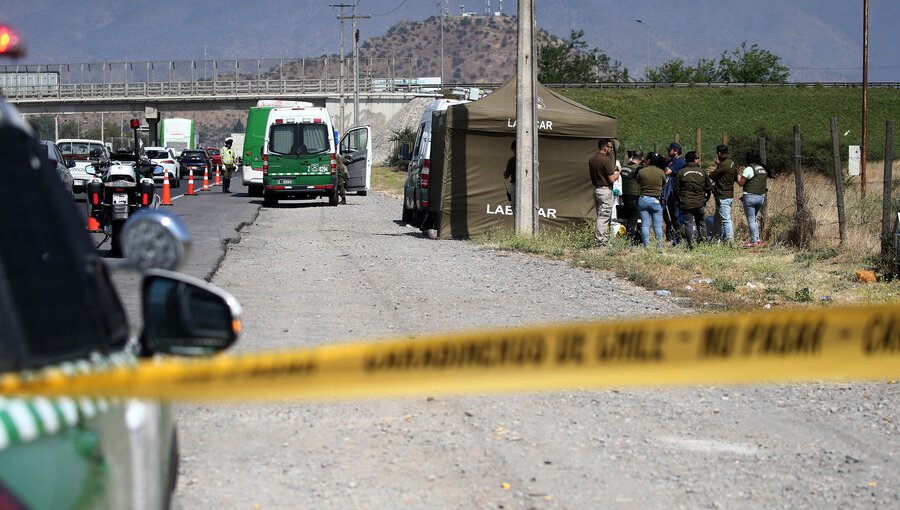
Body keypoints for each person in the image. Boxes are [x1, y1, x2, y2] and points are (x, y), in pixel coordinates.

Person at [588, 138, 621, 247]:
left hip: (596, 189)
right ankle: (600, 242)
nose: (611, 149)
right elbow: (611, 179)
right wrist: (618, 172)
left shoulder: (592, 159)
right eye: (610, 147)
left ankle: (604, 240)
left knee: (601, 215)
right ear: (604, 147)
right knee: (604, 216)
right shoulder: (605, 160)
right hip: (605, 190)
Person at [675, 151, 712, 250]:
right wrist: (705, 200)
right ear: (695, 160)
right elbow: (709, 188)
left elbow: (676, 190)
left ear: (686, 160)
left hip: (686, 203)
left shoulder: (681, 172)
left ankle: (691, 246)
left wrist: (679, 201)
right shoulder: (702, 172)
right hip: (699, 203)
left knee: (688, 223)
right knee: (701, 223)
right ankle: (703, 243)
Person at [636, 152, 667, 251]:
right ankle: (659, 247)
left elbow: (638, 182)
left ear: (648, 160)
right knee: (657, 226)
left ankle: (646, 247)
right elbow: (664, 184)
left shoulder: (641, 171)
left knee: (645, 224)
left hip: (643, 199)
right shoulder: (661, 172)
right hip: (655, 200)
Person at [738, 149, 769, 247]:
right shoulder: (762, 169)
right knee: (753, 219)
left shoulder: (749, 169)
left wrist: (737, 175)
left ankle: (754, 241)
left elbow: (740, 183)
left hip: (750, 197)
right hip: (761, 197)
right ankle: (757, 239)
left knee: (751, 220)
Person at [709, 144, 738, 242]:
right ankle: (715, 239)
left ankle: (730, 241)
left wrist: (717, 165)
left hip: (722, 196)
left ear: (719, 153)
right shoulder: (732, 163)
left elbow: (713, 175)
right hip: (728, 194)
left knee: (726, 220)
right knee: (717, 220)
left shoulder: (723, 165)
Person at [619, 149, 643, 244]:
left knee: (628, 218)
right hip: (635, 196)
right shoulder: (638, 169)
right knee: (633, 219)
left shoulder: (624, 167)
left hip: (625, 196)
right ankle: (630, 240)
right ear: (641, 158)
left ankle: (628, 238)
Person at [663, 141, 686, 243]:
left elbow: (667, 172)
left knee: (674, 215)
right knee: (667, 214)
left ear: (675, 151)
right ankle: (670, 236)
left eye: (670, 150)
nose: (668, 152)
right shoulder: (671, 161)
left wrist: (663, 166)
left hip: (674, 191)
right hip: (667, 191)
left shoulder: (680, 161)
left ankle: (677, 236)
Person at [503, 141, 516, 206]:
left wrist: (504, 173)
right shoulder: (530, 159)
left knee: (513, 205)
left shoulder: (512, 160)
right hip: (529, 186)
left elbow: (506, 176)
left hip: (515, 185)